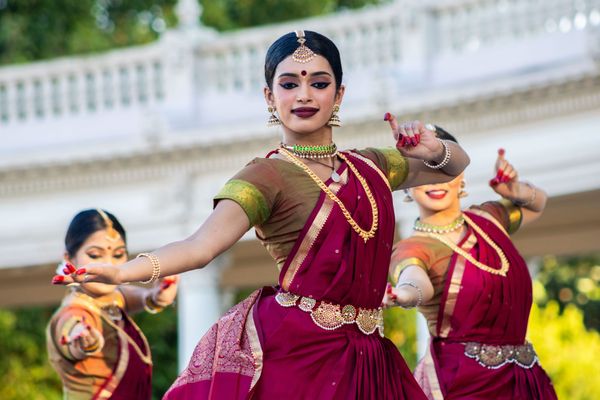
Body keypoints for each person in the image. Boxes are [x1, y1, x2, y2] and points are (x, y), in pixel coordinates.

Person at [54, 30, 470, 399]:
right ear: (270, 97)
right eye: (289, 84)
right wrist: (123, 273)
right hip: (298, 357)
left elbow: (454, 166)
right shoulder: (266, 175)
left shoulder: (372, 165)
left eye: (319, 83)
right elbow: (200, 247)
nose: (304, 95)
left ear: (339, 94)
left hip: (372, 358)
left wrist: (436, 151)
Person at [384, 129, 558, 399]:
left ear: (460, 174)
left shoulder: (489, 219)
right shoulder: (412, 247)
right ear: (407, 184)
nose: (435, 181)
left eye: (442, 168)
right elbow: (415, 281)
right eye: (423, 171)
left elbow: (537, 204)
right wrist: (402, 295)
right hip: (463, 384)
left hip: (524, 380)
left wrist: (516, 191)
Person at [47, 209, 178, 399]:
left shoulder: (113, 298)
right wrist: (85, 342)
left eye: (118, 255)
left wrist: (157, 295)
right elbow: (71, 331)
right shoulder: (74, 311)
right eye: (94, 255)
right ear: (68, 258)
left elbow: (138, 297)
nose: (108, 265)